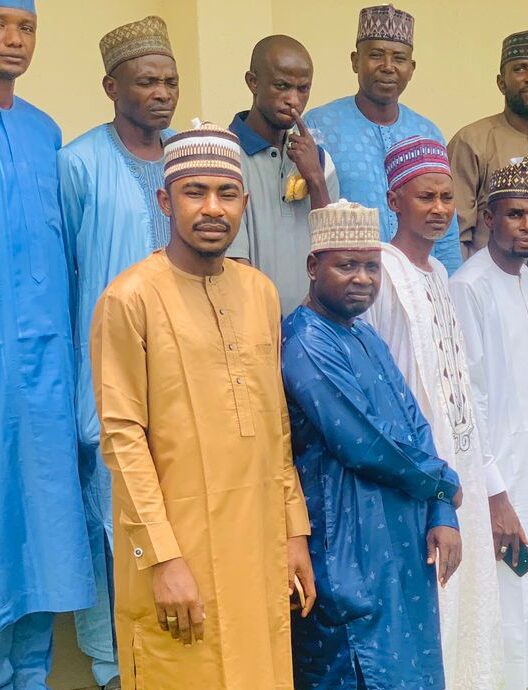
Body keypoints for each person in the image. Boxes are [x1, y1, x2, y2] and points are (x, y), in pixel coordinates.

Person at [91, 122, 315, 689]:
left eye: (227, 193)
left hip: (258, 547)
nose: (212, 208)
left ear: (244, 200)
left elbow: (276, 428)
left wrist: (293, 534)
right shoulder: (129, 299)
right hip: (177, 555)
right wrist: (163, 559)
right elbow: (122, 440)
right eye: (195, 192)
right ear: (166, 200)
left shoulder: (258, 291)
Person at [281, 200, 463, 690]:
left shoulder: (365, 335)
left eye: (371, 266)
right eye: (346, 265)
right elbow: (363, 443)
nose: (362, 278)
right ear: (313, 267)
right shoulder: (303, 341)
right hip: (346, 560)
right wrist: (443, 482)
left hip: (400, 560)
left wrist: (443, 509)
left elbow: (415, 423)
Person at [58, 15, 178, 689]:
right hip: (108, 381)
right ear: (112, 86)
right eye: (146, 81)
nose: (161, 93)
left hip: (181, 382)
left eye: (170, 81)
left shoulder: (191, 157)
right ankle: (112, 670)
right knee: (114, 534)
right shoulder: (77, 163)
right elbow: (67, 274)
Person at [363, 136, 502, 689]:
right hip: (412, 472)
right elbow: (381, 384)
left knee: (465, 603)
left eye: (447, 197)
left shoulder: (440, 276)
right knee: (426, 604)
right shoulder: (379, 269)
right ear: (394, 199)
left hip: (458, 465)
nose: (440, 209)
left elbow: (460, 384)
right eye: (426, 197)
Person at [0, 0, 95, 686]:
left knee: (44, 531)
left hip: (44, 379)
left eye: (26, 27)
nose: (13, 40)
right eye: (1, 24)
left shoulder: (44, 132)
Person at [449, 157, 528, 690]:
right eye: (515, 214)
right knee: (501, 602)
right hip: (497, 481)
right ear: (489, 218)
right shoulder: (469, 286)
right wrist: (493, 494)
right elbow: (470, 399)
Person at [305, 3, 460, 274]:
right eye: (376, 55)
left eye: (399, 59)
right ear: (355, 61)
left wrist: (449, 284)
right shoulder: (320, 125)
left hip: (418, 285)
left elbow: (446, 228)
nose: (388, 67)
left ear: (411, 68)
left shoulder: (427, 132)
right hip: (350, 285)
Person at [227, 34, 338, 314]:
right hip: (250, 326)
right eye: (282, 86)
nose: (293, 100)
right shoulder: (224, 155)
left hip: (312, 334)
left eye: (303, 89)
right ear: (253, 82)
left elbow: (335, 249)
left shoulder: (319, 160)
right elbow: (232, 262)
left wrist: (315, 178)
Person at [448, 29, 528, 252]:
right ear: (501, 82)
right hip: (482, 282)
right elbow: (454, 234)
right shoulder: (472, 141)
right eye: (520, 69)